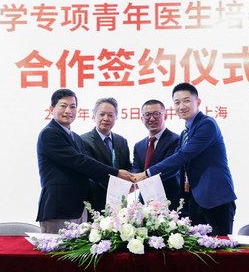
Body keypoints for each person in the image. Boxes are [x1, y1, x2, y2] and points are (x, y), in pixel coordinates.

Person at [133, 83, 237, 235]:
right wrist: (143, 182)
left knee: (220, 246)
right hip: (194, 201)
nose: (181, 106)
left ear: (198, 102)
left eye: (186, 101)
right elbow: (176, 166)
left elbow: (183, 156)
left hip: (215, 199)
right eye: (177, 102)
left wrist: (146, 174)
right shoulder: (185, 134)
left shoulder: (207, 124)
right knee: (195, 248)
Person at [36, 89, 134, 233]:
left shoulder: (75, 137)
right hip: (59, 208)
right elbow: (80, 162)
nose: (68, 110)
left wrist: (124, 183)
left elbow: (86, 165)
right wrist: (116, 174)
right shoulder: (49, 133)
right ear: (51, 109)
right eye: (63, 106)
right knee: (57, 247)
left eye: (72, 106)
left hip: (79, 207)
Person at [81, 97, 132, 211]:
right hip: (93, 201)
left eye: (110, 115)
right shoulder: (83, 140)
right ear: (94, 116)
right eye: (102, 114)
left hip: (119, 200)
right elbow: (90, 171)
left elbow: (126, 166)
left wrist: (132, 179)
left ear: (116, 117)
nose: (106, 118)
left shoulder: (121, 141)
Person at [130, 99, 181, 210]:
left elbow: (169, 168)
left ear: (165, 116)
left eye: (156, 114)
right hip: (144, 201)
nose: (152, 118)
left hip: (170, 200)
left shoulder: (176, 140)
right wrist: (133, 178)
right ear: (142, 118)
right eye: (147, 115)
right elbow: (136, 168)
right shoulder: (139, 145)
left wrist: (142, 178)